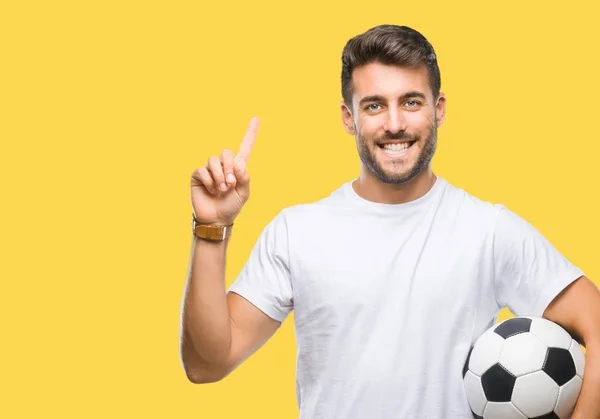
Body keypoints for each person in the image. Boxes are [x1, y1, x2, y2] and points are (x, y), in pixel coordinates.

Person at [180, 25, 600, 418]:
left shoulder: (488, 231)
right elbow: (205, 365)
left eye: (411, 102)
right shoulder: (297, 232)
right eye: (375, 105)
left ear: (438, 109)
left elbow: (596, 323)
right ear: (349, 118)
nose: (394, 124)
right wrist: (211, 230)